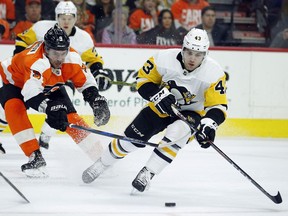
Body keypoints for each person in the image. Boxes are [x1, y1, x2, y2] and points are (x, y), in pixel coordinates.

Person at [81, 28, 228, 193]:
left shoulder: (214, 73)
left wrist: (208, 125)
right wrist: (158, 95)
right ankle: (102, 163)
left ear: (205, 54)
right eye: (190, 52)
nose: (193, 58)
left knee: (177, 133)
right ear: (183, 49)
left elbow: (218, 106)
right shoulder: (163, 58)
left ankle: (148, 173)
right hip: (160, 106)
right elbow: (143, 81)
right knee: (131, 140)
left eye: (198, 54)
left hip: (192, 113)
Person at [0, 24, 110, 177]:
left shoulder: (72, 58)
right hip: (15, 82)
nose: (59, 58)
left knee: (71, 118)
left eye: (62, 53)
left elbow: (86, 83)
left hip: (48, 82)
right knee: (14, 108)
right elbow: (31, 94)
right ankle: (35, 157)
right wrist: (50, 108)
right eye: (54, 53)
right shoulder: (35, 62)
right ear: (46, 50)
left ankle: (102, 158)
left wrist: (96, 100)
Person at [13, 1, 110, 150]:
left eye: (70, 18)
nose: (66, 21)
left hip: (63, 78)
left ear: (76, 18)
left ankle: (47, 134)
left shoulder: (83, 38)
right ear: (56, 17)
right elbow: (22, 40)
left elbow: (94, 60)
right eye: (62, 17)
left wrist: (98, 75)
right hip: (37, 74)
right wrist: (20, 62)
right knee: (12, 104)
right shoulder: (41, 27)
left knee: (65, 107)